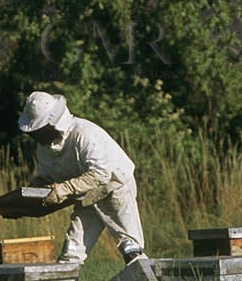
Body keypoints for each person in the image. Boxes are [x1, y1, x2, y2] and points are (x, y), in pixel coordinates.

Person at [18, 91, 147, 266]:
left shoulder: (83, 133)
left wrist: (64, 189)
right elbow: (46, 176)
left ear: (51, 124)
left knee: (131, 248)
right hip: (87, 196)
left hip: (115, 186)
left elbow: (101, 173)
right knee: (72, 253)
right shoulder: (44, 148)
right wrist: (30, 194)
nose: (35, 136)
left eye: (38, 130)